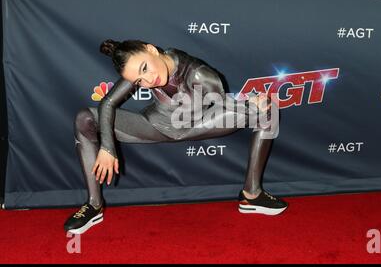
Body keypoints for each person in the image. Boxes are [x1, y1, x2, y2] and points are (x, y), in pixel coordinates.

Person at [64, 39, 288, 234]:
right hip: (155, 126)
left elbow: (214, 108)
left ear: (151, 49)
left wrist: (249, 104)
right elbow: (108, 102)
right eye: (139, 81)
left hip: (200, 124)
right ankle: (94, 205)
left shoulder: (201, 75)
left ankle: (252, 193)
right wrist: (107, 147)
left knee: (268, 111)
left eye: (145, 68)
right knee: (85, 118)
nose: (148, 80)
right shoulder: (138, 70)